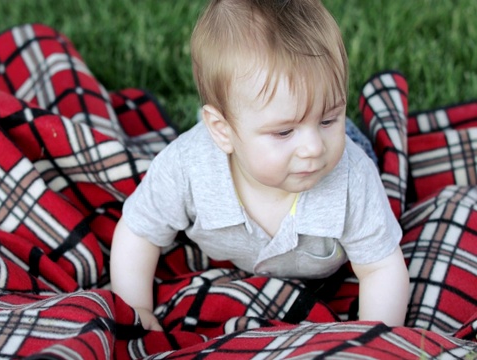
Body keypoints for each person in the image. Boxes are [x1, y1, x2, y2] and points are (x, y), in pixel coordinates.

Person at [110, 0, 410, 331]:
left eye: (328, 118)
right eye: (284, 131)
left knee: (346, 142)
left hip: (348, 148)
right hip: (224, 141)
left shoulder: (352, 177)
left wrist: (375, 342)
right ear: (222, 132)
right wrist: (136, 308)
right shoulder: (186, 170)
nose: (313, 147)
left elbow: (381, 268)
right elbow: (139, 231)